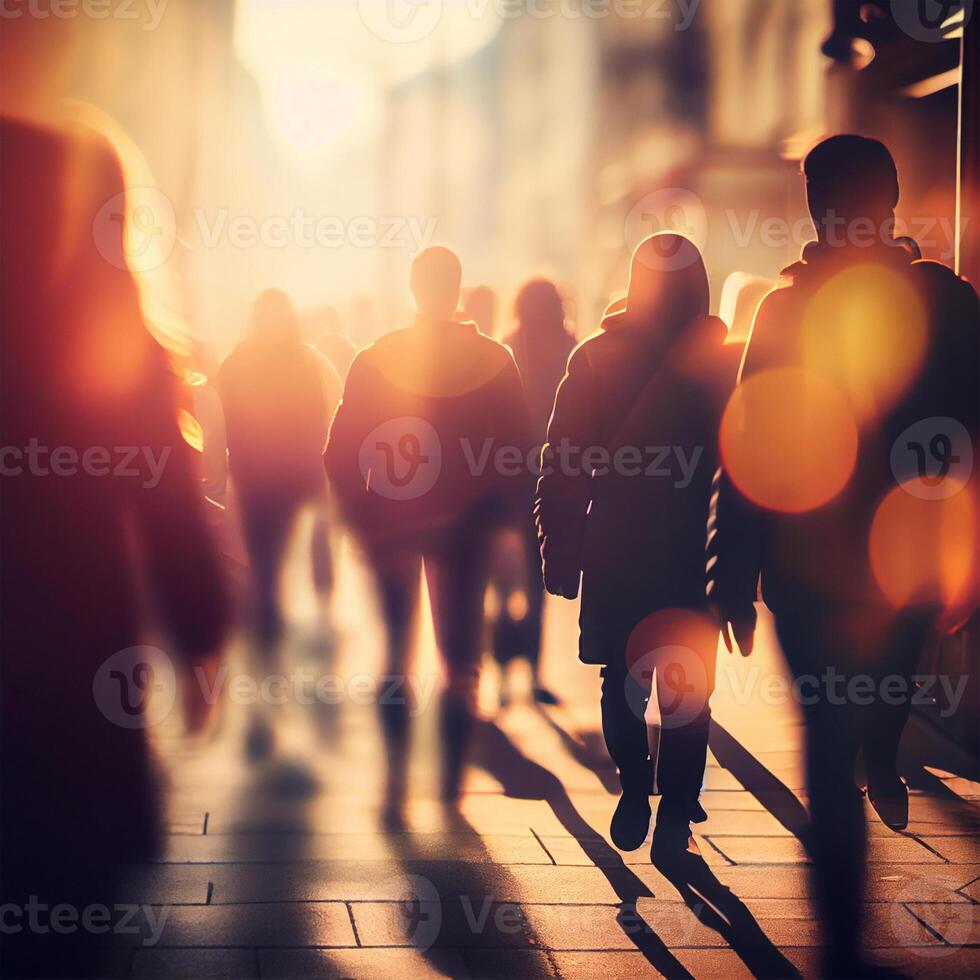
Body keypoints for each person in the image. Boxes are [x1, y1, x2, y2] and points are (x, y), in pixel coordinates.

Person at [709, 134, 979, 977]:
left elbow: (747, 442)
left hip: (822, 569)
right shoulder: (947, 301)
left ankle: (841, 941)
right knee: (855, 716)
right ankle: (844, 928)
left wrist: (732, 576)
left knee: (837, 734)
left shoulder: (799, 310)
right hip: (887, 569)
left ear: (817, 209)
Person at [0, 117, 228, 979]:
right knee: (67, 912)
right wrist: (202, 628)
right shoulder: (111, 332)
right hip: (74, 653)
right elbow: (166, 496)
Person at [537, 233, 736, 857]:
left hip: (616, 544)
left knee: (620, 678)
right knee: (688, 686)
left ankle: (633, 784)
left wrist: (559, 548)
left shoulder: (596, 357)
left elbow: (563, 461)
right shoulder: (723, 362)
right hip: (692, 546)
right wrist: (744, 560)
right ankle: (676, 809)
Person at [325, 246, 532, 825]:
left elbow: (338, 453)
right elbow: (519, 452)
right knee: (460, 659)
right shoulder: (493, 360)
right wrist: (502, 519)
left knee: (395, 652)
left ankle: (395, 778)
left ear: (414, 289)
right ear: (458, 289)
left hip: (392, 524)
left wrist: (363, 516)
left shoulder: (377, 358)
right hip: (465, 529)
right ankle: (448, 786)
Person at [218, 290, 341, 755]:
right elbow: (324, 416)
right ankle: (273, 664)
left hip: (255, 481)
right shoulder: (307, 362)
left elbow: (225, 423)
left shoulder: (236, 363)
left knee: (265, 574)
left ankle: (267, 674)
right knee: (271, 574)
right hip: (290, 479)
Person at [492, 279, 576, 706]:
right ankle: (535, 672)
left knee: (507, 581)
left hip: (511, 480)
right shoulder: (570, 348)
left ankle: (505, 672)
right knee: (540, 574)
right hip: (556, 475)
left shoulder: (507, 348)